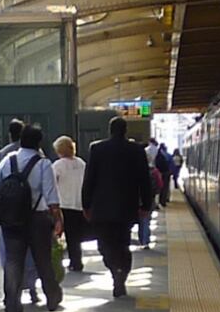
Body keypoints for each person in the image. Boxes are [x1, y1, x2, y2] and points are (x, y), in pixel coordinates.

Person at [0, 124, 63, 312]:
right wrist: (58, 219)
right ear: (39, 143)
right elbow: (51, 196)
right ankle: (52, 298)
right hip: (37, 219)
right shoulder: (43, 164)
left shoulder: (7, 160)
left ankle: (12, 304)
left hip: (11, 220)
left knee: (13, 261)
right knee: (43, 260)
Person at [83, 115, 156, 298]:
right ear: (125, 131)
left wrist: (86, 204)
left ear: (110, 130)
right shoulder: (136, 150)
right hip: (127, 207)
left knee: (104, 244)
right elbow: (144, 181)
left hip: (102, 207)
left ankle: (116, 271)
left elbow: (89, 179)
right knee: (123, 243)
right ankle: (120, 274)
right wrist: (146, 205)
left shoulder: (97, 149)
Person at [53, 134, 89, 273]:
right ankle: (76, 260)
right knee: (76, 236)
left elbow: (52, 183)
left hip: (64, 204)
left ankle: (72, 261)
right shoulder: (81, 163)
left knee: (67, 235)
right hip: (79, 204)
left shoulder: (58, 165)